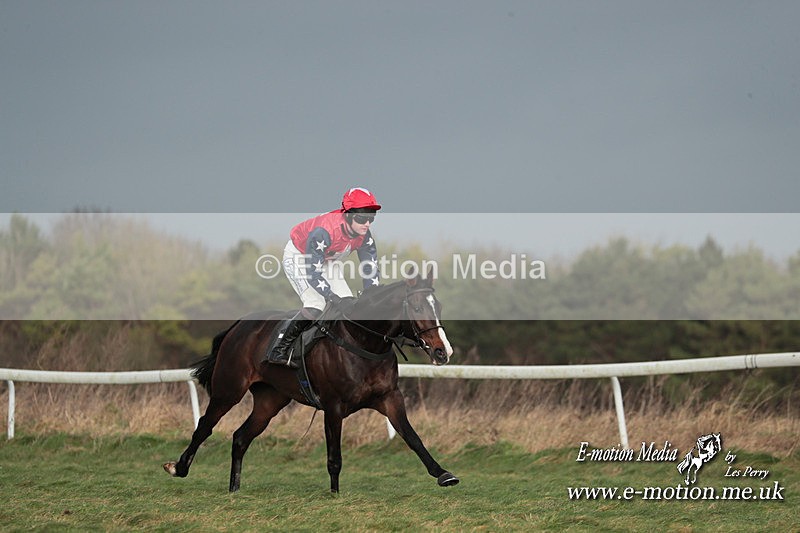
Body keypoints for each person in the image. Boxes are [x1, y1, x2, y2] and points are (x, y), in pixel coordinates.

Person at [267, 187, 382, 368]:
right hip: (300, 256)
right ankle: (279, 348)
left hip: (328, 258)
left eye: (371, 218)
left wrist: (373, 295)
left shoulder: (364, 236)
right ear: (348, 215)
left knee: (348, 303)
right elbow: (313, 273)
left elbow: (370, 269)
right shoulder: (324, 231)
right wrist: (331, 296)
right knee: (316, 304)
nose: (367, 223)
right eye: (362, 218)